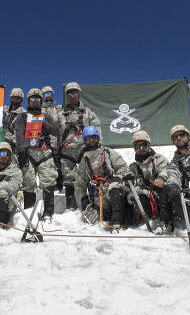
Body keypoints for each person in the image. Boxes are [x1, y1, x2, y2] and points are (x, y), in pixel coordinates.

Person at [14, 88, 59, 218]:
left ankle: (48, 214)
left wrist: (43, 123)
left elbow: (56, 131)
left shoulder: (46, 116)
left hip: (44, 153)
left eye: (38, 99)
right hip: (28, 154)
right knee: (28, 184)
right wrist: (21, 152)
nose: (35, 102)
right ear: (28, 101)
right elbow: (18, 133)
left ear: (41, 101)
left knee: (48, 181)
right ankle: (29, 214)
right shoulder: (22, 116)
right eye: (32, 99)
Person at [74, 126, 130, 230]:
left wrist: (118, 178)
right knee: (88, 219)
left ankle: (118, 222)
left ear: (98, 138)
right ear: (85, 140)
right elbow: (79, 184)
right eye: (88, 138)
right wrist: (83, 199)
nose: (91, 140)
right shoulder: (84, 160)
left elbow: (123, 168)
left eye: (94, 137)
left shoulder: (108, 153)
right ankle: (110, 214)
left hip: (113, 190)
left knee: (115, 190)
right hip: (98, 197)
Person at [57, 81, 102, 210]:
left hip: (84, 149)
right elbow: (55, 133)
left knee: (88, 176)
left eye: (75, 93)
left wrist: (99, 146)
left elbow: (97, 128)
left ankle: (91, 203)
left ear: (79, 94)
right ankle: (71, 205)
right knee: (68, 178)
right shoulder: (60, 114)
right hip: (67, 152)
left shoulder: (88, 112)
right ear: (66, 96)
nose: (72, 95)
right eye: (69, 93)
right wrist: (56, 150)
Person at [128, 130, 179, 234]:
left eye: (144, 145)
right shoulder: (133, 167)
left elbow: (167, 169)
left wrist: (161, 178)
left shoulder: (158, 159)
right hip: (148, 197)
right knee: (136, 196)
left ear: (149, 145)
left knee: (166, 188)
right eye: (137, 146)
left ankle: (166, 222)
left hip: (161, 195)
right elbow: (133, 184)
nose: (141, 148)